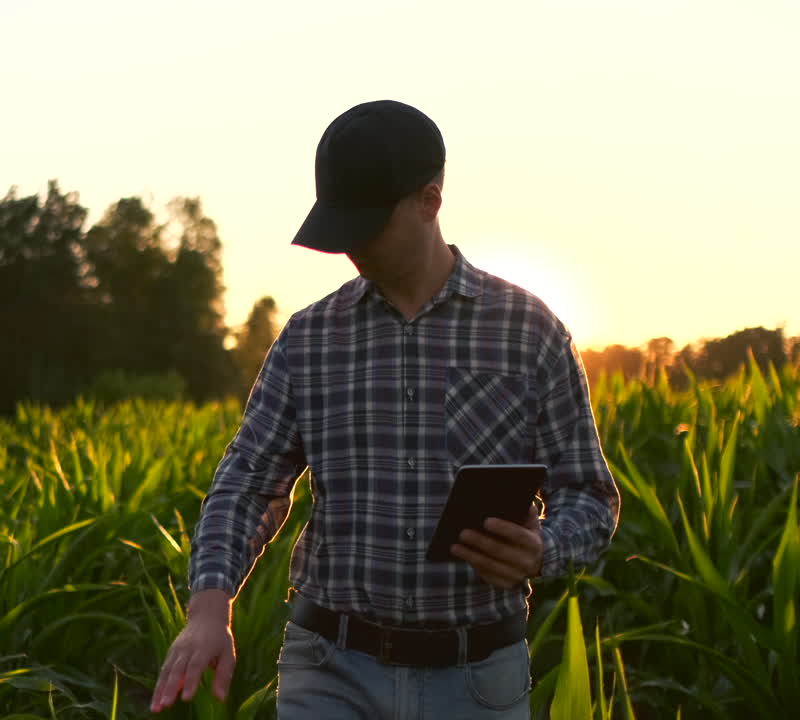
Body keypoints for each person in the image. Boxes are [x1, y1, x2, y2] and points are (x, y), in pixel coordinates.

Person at [149, 100, 621, 718]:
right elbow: (246, 485)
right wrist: (211, 607)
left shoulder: (529, 332)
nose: (350, 246)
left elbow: (590, 495)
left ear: (430, 201)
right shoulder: (309, 338)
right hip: (330, 670)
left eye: (367, 223)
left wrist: (544, 549)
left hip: (478, 677)